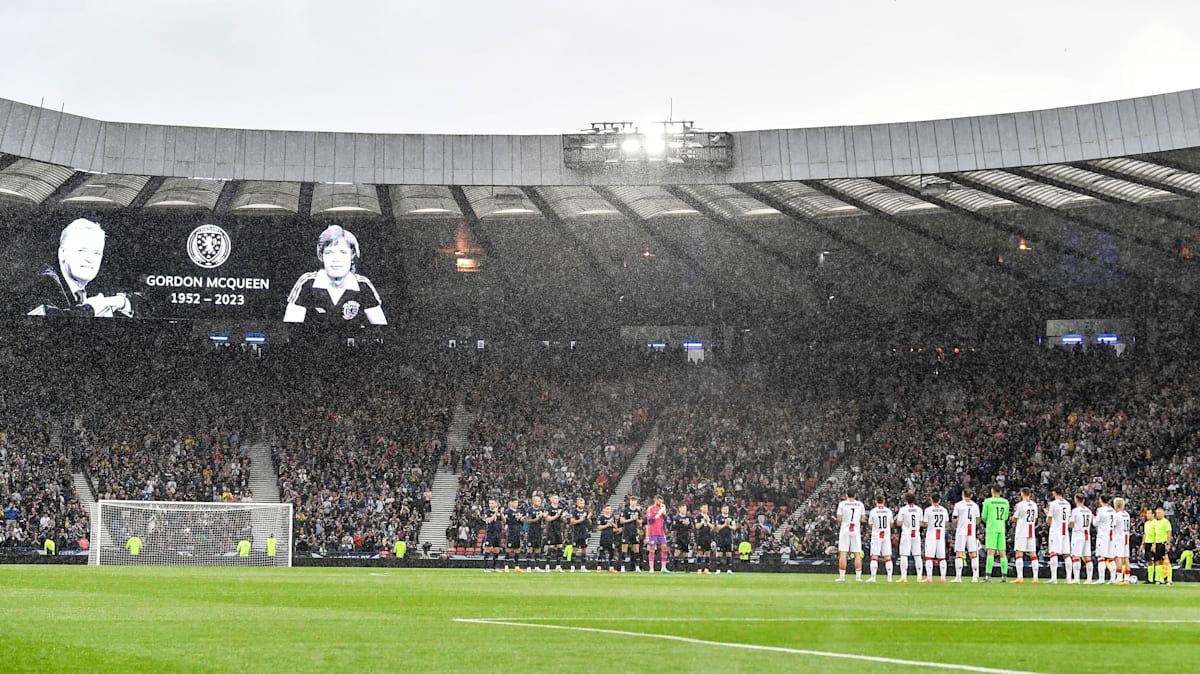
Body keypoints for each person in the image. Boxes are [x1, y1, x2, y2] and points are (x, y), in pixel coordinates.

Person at [28, 218, 141, 318]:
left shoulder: (96, 285)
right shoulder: (43, 283)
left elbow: (150, 303)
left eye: (96, 253)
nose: (90, 259)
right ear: (62, 252)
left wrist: (119, 301)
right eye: (82, 250)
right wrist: (94, 307)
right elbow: (53, 325)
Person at [284, 225, 387, 326]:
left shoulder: (363, 285)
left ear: (352, 255)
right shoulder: (307, 282)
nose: (336, 259)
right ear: (321, 256)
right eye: (329, 253)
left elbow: (382, 331)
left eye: (342, 252)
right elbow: (291, 331)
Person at [1011, 487, 1040, 584]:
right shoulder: (1034, 505)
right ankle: (1035, 578)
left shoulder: (1020, 505)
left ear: (1022, 494)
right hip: (1031, 531)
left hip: (1022, 531)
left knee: (1019, 554)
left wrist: (1012, 518)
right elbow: (1035, 518)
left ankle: (1020, 577)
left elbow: (1015, 518)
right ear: (1030, 494)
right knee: (1033, 554)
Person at [951, 488, 981, 583]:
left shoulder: (958, 505)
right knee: (973, 553)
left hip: (961, 531)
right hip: (971, 531)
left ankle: (958, 577)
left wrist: (957, 524)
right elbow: (977, 520)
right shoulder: (975, 506)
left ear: (963, 494)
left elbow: (955, 519)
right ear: (971, 495)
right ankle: (975, 577)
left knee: (959, 553)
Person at [981, 485, 1010, 582]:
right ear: (1000, 492)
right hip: (1001, 528)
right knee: (1002, 553)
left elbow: (984, 516)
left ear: (992, 491)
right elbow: (1006, 517)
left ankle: (988, 576)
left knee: (990, 553)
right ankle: (1004, 576)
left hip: (992, 528)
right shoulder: (1005, 502)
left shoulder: (988, 501)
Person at [835, 488, 865, 582]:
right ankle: (858, 577)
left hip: (845, 529)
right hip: (855, 530)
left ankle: (842, 577)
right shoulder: (860, 504)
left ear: (846, 495)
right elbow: (863, 519)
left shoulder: (842, 504)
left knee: (843, 553)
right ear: (855, 495)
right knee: (857, 554)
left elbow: (839, 519)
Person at [895, 491, 923, 582]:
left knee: (904, 555)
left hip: (906, 534)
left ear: (906, 499)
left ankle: (904, 577)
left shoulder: (903, 509)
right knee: (917, 555)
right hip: (916, 533)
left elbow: (898, 523)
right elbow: (921, 522)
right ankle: (919, 577)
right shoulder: (919, 509)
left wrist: (904, 522)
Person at [1045, 488, 1072, 584]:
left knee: (1053, 553)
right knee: (1066, 554)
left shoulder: (1053, 504)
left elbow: (1048, 520)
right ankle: (1069, 578)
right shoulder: (1068, 504)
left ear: (1054, 493)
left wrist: (1047, 513)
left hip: (1056, 531)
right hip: (1065, 531)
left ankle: (1054, 578)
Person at [922, 493, 949, 583]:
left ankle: (929, 577)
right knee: (942, 557)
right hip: (940, 535)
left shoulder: (928, 510)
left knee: (929, 557)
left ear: (931, 500)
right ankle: (943, 577)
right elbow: (946, 524)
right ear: (939, 500)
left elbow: (925, 523)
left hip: (931, 535)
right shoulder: (944, 510)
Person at [1067, 494, 1094, 584]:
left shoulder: (1075, 511)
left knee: (1076, 557)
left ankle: (1076, 579)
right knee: (1088, 558)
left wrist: (1068, 523)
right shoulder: (1088, 511)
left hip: (1078, 535)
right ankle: (1089, 579)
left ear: (1076, 500)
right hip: (1087, 535)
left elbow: (1071, 524)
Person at [867, 494, 894, 582]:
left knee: (875, 556)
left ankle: (873, 577)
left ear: (875, 501)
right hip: (886, 536)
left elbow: (870, 524)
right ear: (884, 501)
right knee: (887, 557)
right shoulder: (888, 511)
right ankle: (889, 578)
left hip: (876, 536)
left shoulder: (873, 511)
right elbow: (891, 523)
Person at [1093, 495, 1116, 584]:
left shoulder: (1101, 510)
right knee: (1111, 558)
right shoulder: (1113, 510)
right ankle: (1113, 579)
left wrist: (1093, 517)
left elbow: (1095, 523)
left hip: (1103, 536)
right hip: (1111, 536)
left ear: (1101, 500)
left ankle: (1101, 578)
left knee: (1101, 557)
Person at [644, 495, 670, 573]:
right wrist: (657, 515)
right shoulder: (650, 509)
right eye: (659, 501)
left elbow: (666, 520)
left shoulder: (662, 509)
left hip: (661, 532)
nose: (660, 502)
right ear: (655, 500)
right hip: (653, 532)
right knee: (652, 548)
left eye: (661, 501)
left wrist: (664, 512)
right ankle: (651, 568)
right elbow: (650, 521)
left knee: (664, 548)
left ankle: (663, 567)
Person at [619, 496, 642, 573]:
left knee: (636, 549)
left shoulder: (638, 511)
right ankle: (622, 567)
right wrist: (631, 519)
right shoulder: (625, 510)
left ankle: (637, 567)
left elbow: (640, 523)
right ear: (630, 501)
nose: (633, 502)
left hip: (634, 531)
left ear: (636, 502)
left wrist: (636, 519)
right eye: (632, 500)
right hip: (626, 531)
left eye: (635, 501)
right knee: (624, 548)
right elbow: (622, 521)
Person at [1112, 497, 1132, 585]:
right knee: (1126, 558)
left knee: (1119, 558)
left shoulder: (1117, 515)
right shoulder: (1127, 514)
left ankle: (1119, 578)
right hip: (1126, 538)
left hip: (1119, 538)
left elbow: (1112, 526)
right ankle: (1127, 578)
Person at [543, 494, 566, 572]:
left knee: (560, 547)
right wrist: (557, 515)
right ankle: (547, 565)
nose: (556, 500)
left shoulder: (561, 508)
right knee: (551, 548)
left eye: (557, 498)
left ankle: (558, 565)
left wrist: (563, 516)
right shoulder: (548, 508)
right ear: (551, 499)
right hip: (551, 530)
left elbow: (563, 520)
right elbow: (548, 519)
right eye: (555, 498)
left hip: (558, 529)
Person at [568, 497, 591, 572]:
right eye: (580, 503)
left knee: (584, 550)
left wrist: (588, 518)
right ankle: (572, 567)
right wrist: (580, 520)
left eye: (583, 503)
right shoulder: (573, 512)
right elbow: (572, 522)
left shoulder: (586, 511)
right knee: (574, 549)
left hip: (584, 533)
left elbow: (589, 523)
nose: (582, 504)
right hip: (576, 533)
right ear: (577, 503)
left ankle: (583, 567)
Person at [502, 497, 525, 573]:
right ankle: (506, 566)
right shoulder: (508, 511)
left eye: (517, 503)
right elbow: (506, 521)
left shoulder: (518, 511)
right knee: (508, 549)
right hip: (511, 532)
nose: (516, 504)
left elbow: (521, 523)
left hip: (517, 532)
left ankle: (517, 566)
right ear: (511, 503)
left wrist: (521, 519)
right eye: (515, 503)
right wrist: (515, 518)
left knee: (517, 549)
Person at [525, 495, 545, 572]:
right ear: (533, 501)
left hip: (539, 531)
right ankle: (528, 567)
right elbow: (528, 521)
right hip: (531, 531)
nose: (539, 502)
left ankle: (537, 566)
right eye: (537, 501)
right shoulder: (529, 510)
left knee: (538, 549)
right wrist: (538, 518)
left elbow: (543, 520)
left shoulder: (541, 509)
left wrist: (543, 517)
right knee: (530, 549)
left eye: (540, 501)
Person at [714, 504, 737, 574]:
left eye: (727, 509)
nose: (726, 510)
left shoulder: (731, 518)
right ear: (722, 510)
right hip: (721, 537)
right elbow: (717, 528)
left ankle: (729, 570)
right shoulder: (718, 517)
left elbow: (734, 528)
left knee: (729, 553)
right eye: (724, 509)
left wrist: (729, 525)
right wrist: (724, 524)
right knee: (719, 553)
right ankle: (718, 569)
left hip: (728, 538)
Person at [671, 504, 694, 573]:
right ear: (679, 509)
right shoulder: (676, 517)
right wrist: (682, 524)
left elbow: (691, 527)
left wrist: (688, 525)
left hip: (686, 537)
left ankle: (686, 569)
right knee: (677, 552)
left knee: (686, 553)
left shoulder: (688, 518)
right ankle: (675, 568)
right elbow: (673, 528)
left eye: (685, 509)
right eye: (683, 508)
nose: (684, 510)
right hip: (679, 537)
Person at [482, 498, 503, 572]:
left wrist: (501, 513)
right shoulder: (487, 511)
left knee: (496, 550)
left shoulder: (499, 512)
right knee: (487, 549)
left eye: (492, 503)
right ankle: (486, 567)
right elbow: (488, 521)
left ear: (496, 504)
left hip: (498, 533)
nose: (490, 505)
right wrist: (495, 513)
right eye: (490, 503)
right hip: (490, 533)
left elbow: (504, 521)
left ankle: (495, 567)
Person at [1154, 507, 1173, 585]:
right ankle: (1160, 579)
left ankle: (1169, 579)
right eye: (1157, 513)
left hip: (1163, 543)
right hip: (1157, 543)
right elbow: (1155, 534)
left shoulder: (1166, 522)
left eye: (1159, 513)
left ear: (1163, 513)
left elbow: (1169, 533)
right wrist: (1154, 544)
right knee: (1158, 562)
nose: (1157, 514)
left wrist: (1168, 544)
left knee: (1166, 561)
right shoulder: (1156, 522)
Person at [596, 505, 617, 573]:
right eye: (607, 509)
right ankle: (599, 567)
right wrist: (607, 524)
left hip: (611, 537)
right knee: (602, 552)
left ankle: (611, 567)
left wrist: (612, 523)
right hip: (604, 537)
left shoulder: (612, 517)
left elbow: (616, 527)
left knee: (611, 552)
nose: (609, 510)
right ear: (604, 509)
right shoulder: (601, 517)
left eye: (610, 509)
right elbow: (599, 527)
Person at [694, 504, 714, 575]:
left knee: (708, 553)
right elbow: (697, 526)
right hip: (700, 536)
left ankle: (706, 569)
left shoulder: (710, 517)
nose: (705, 509)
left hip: (708, 537)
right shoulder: (698, 517)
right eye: (704, 507)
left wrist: (707, 522)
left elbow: (712, 527)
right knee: (700, 552)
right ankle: (699, 569)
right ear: (701, 508)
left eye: (706, 507)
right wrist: (703, 521)